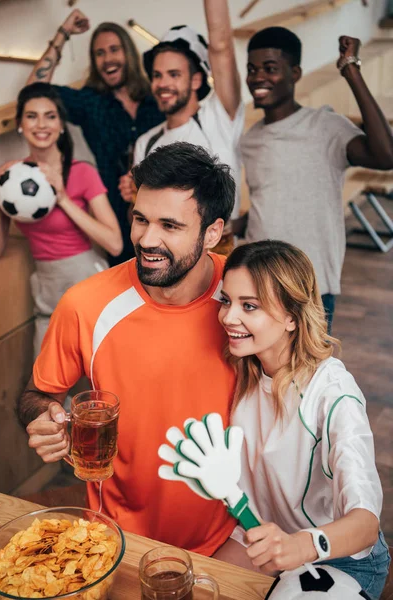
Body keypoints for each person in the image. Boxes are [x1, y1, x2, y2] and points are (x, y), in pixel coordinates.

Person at [18, 142, 237, 556]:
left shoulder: (246, 299)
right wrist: (48, 419)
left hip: (231, 537)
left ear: (212, 232)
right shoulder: (85, 303)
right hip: (115, 538)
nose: (147, 239)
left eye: (170, 226)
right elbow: (36, 394)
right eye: (140, 219)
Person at [213, 240, 390, 600]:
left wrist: (303, 545)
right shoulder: (241, 370)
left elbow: (366, 523)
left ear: (292, 316)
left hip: (340, 558)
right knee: (198, 585)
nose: (229, 317)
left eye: (249, 306)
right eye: (226, 301)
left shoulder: (333, 391)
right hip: (265, 541)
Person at [238, 28, 393, 329]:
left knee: (307, 375)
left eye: (270, 68)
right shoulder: (251, 139)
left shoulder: (324, 126)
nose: (258, 77)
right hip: (258, 281)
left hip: (310, 288)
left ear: (294, 73)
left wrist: (351, 70)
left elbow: (386, 156)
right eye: (252, 69)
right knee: (260, 374)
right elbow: (271, 202)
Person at [0, 82, 122, 358]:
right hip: (46, 288)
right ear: (20, 124)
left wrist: (62, 198)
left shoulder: (81, 171)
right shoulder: (12, 180)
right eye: (32, 116)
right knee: (46, 386)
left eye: (50, 116)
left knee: (96, 382)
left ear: (61, 125)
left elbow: (114, 244)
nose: (42, 124)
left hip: (86, 280)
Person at [27, 9, 164, 266]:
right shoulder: (90, 102)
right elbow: (33, 91)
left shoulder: (156, 97)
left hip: (164, 209)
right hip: (116, 219)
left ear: (128, 53)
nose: (107, 59)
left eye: (114, 50)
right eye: (99, 53)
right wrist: (63, 33)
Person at [119, 0, 244, 229]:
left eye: (174, 74)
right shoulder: (145, 143)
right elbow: (138, 222)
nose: (162, 83)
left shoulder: (218, 117)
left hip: (223, 255)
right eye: (157, 75)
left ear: (196, 79)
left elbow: (221, 46)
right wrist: (133, 199)